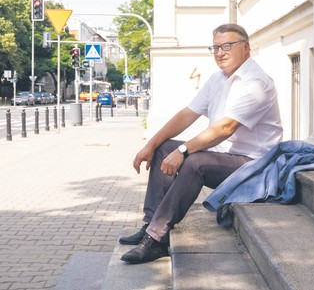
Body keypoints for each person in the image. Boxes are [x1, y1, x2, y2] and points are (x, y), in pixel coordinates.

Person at [120, 23, 282, 264]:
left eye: (227, 46)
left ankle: (157, 240)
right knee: (164, 148)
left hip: (254, 166)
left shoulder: (257, 83)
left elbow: (225, 128)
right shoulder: (218, 79)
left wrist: (183, 150)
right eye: (215, 47)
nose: (220, 52)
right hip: (225, 157)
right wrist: (151, 144)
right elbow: (187, 114)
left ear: (246, 48)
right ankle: (150, 224)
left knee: (195, 161)